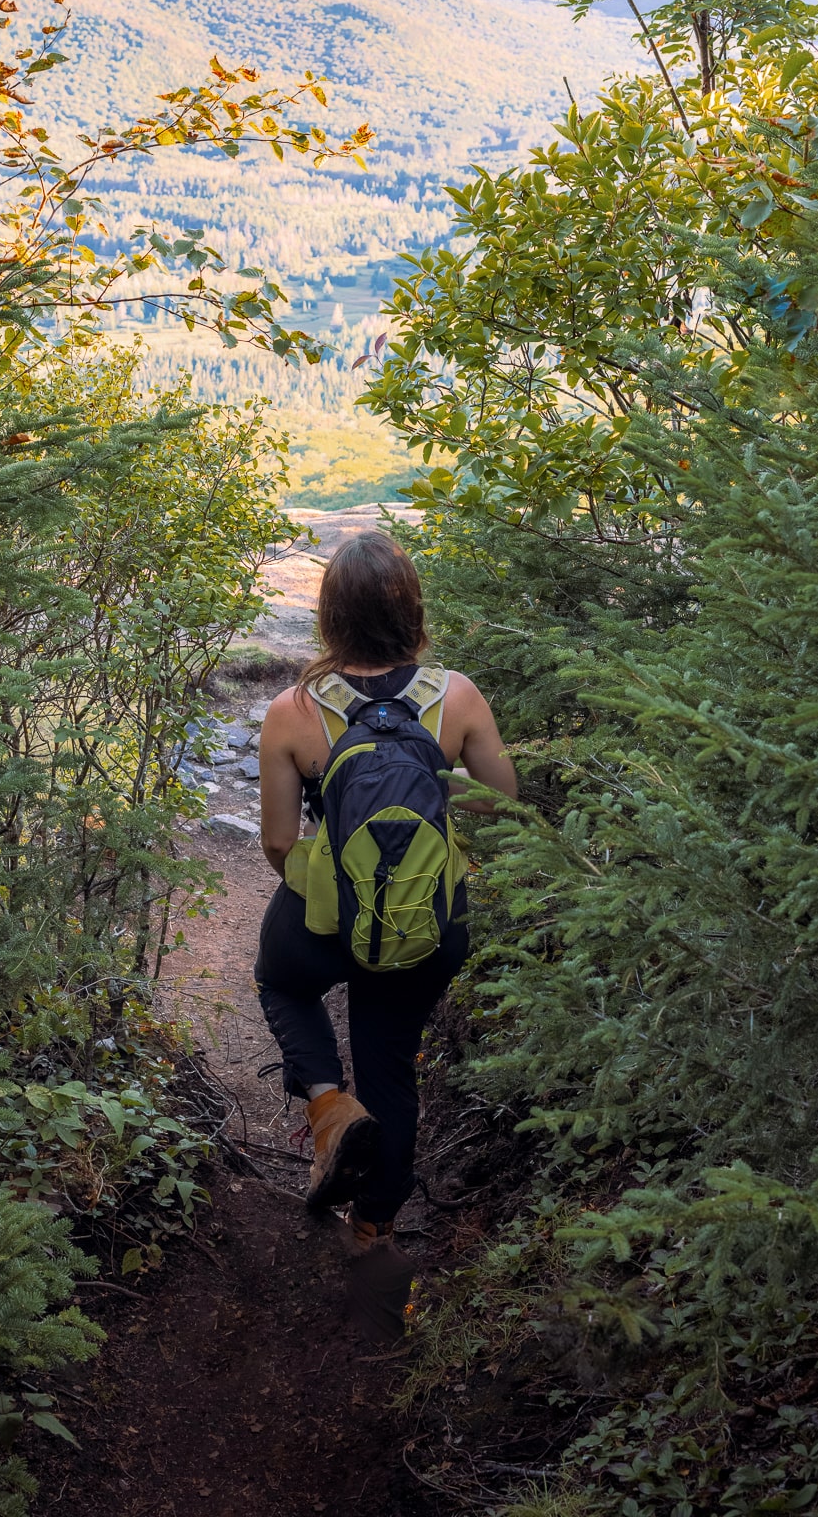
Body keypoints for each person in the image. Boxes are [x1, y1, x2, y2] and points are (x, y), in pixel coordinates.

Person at [256, 531, 516, 1252]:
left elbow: (277, 842)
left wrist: (322, 891)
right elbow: (501, 800)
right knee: (390, 1066)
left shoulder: (292, 710)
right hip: (428, 915)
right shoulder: (456, 696)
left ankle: (329, 1107)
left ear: (330, 614)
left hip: (329, 917)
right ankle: (372, 1226)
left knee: (281, 983)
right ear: (412, 608)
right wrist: (426, 803)